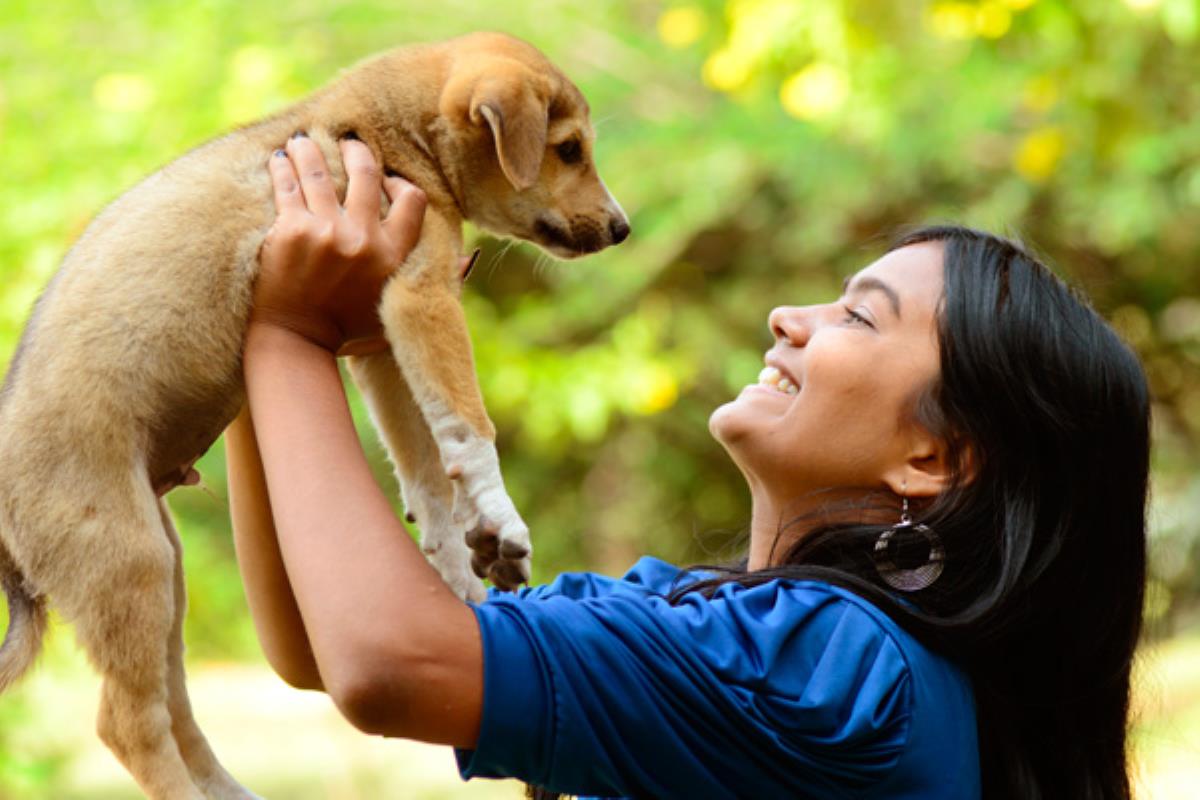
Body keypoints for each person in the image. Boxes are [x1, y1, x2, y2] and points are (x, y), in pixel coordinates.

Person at [224, 133, 1150, 799]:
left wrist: (289, 328)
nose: (792, 316)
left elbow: (391, 661)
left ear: (933, 458)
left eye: (859, 318)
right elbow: (321, 641)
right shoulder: (713, 623)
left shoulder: (838, 669)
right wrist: (258, 354)